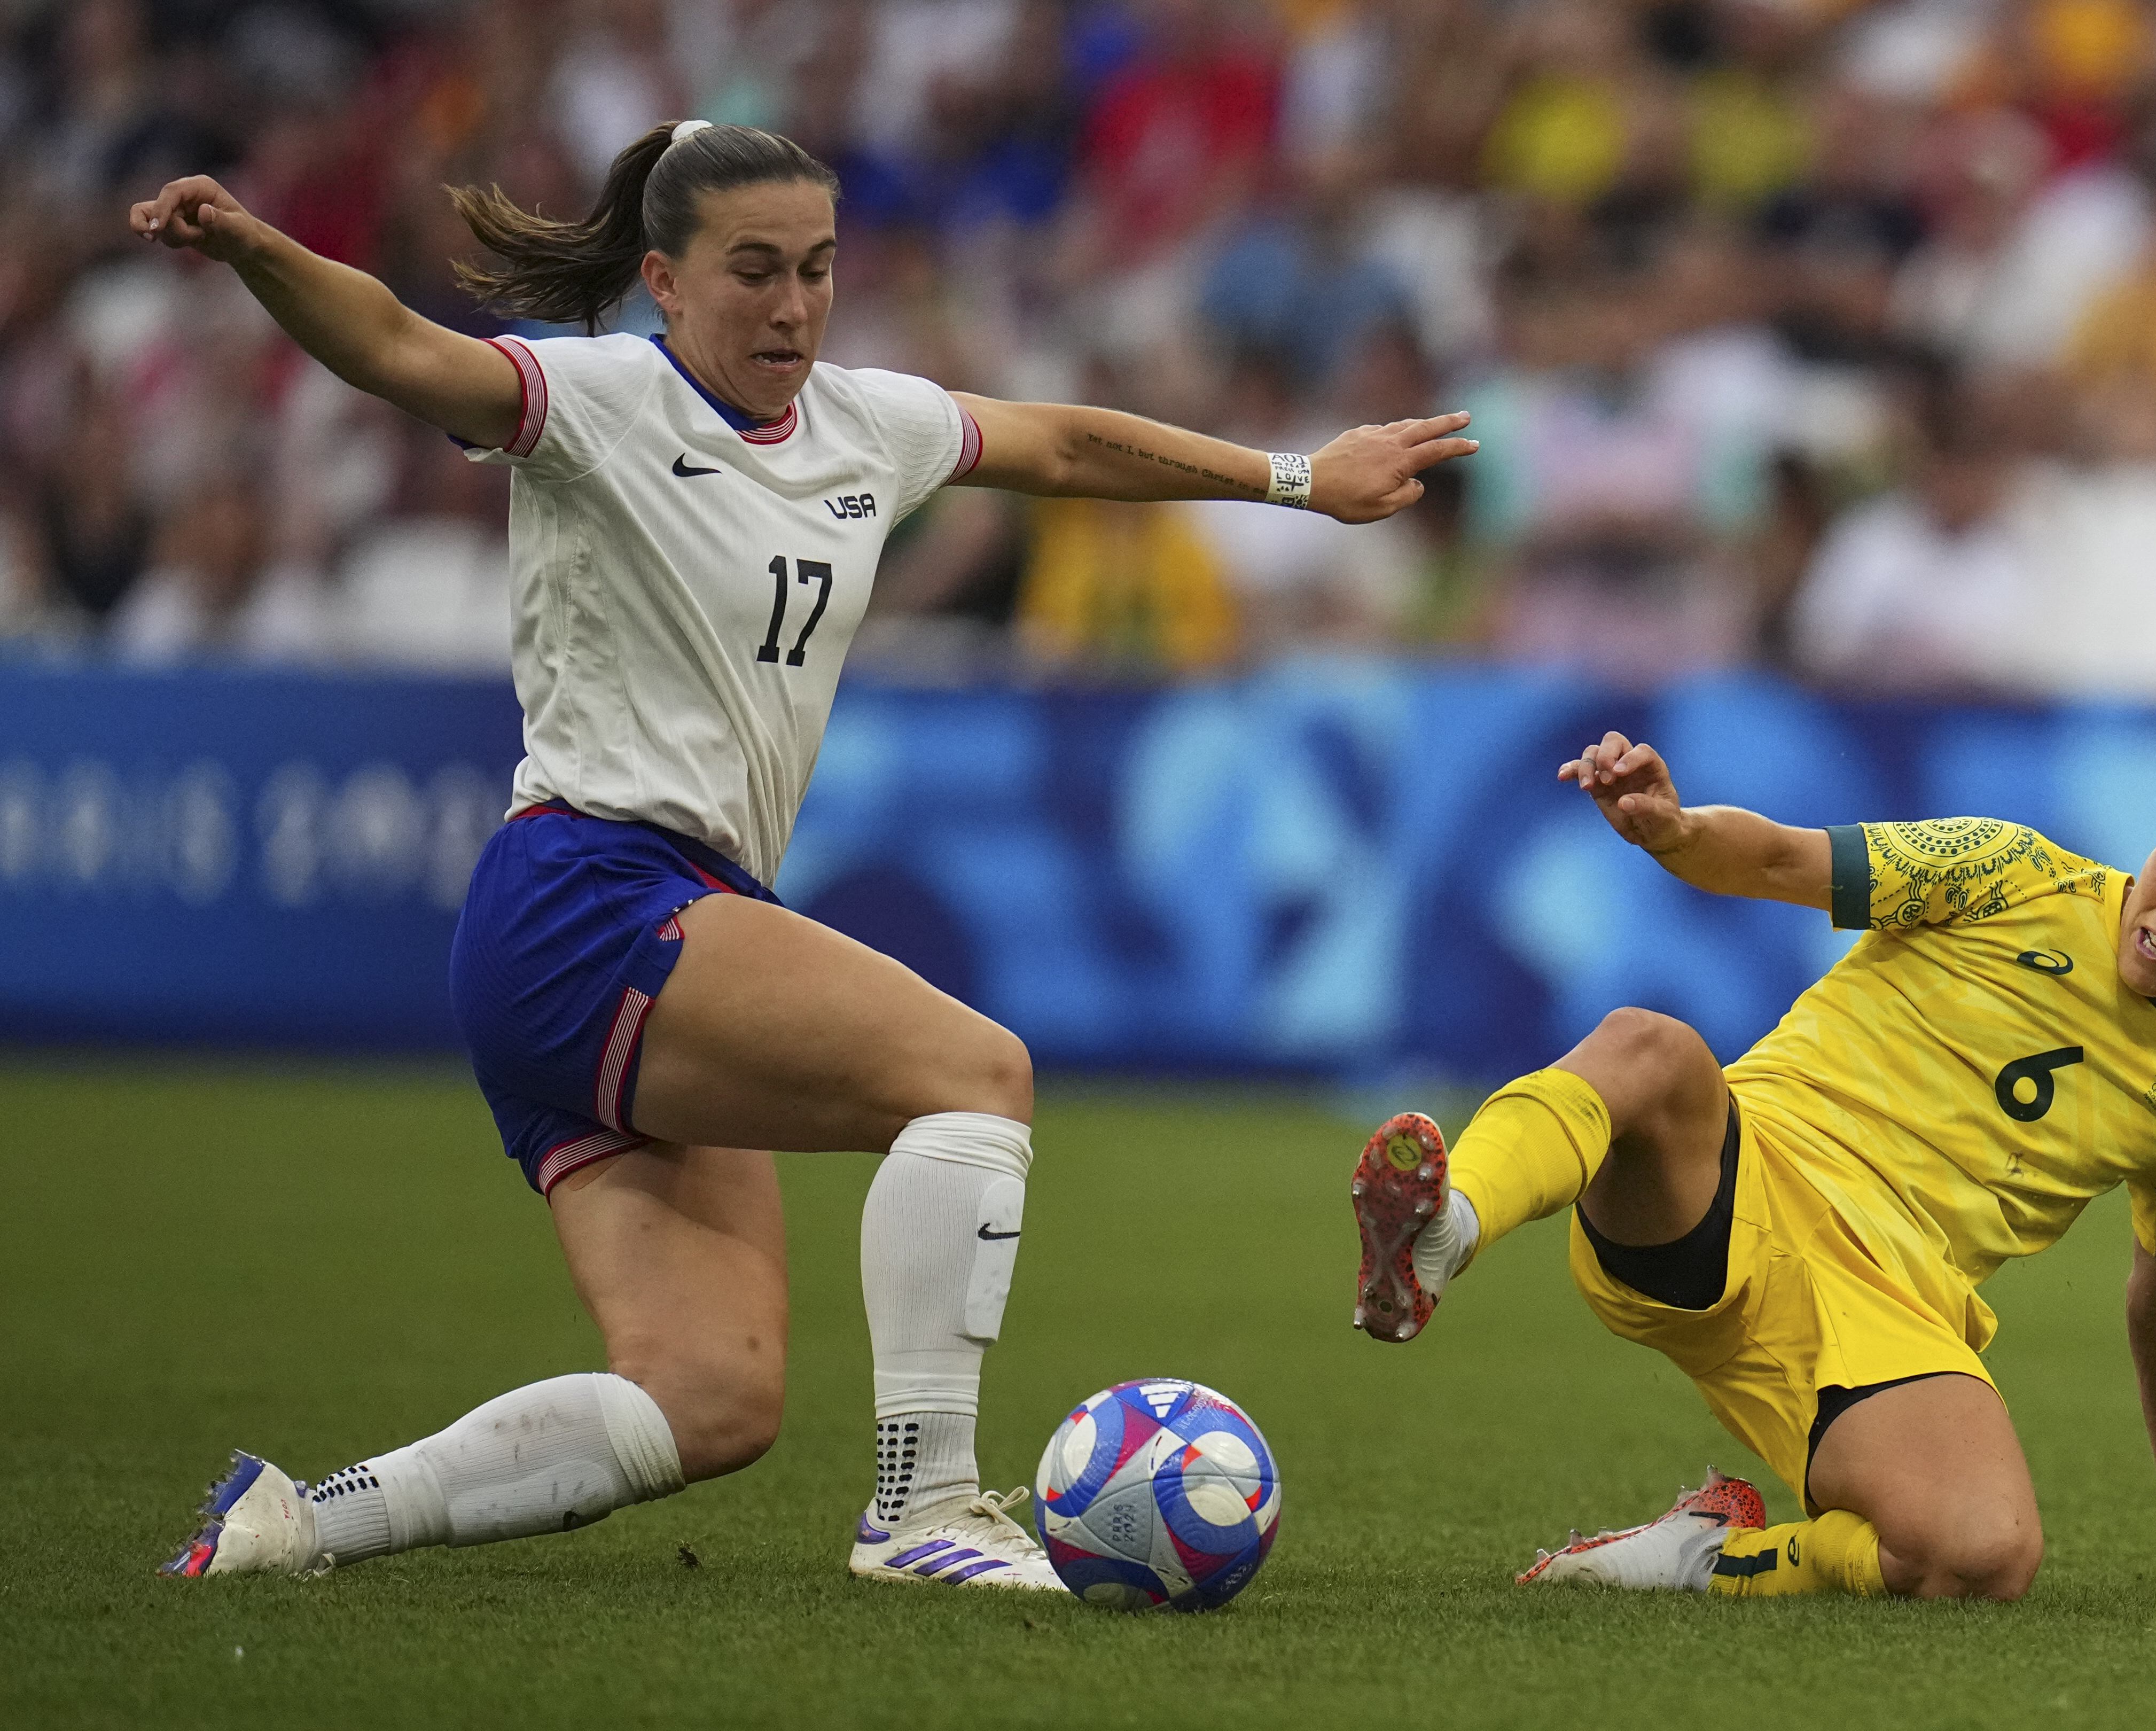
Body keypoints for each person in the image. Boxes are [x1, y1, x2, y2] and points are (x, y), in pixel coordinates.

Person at [143, 120, 1474, 1586]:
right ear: (662, 279)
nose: (792, 306)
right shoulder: (595, 402)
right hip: (589, 894)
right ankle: (924, 1507)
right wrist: (259, 251)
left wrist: (1300, 476)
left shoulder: (868, 426)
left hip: (649, 921)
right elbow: (401, 347)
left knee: (711, 1400)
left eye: (820, 271)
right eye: (755, 271)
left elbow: (1062, 443)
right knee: (975, 1074)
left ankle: (299, 1524)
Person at [1350, 734, 2156, 1602]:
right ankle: (1448, 1229)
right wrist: (1672, 827)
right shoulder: (2011, 872)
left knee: (1985, 1558)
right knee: (1650, 1049)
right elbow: (1785, 858)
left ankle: (1704, 1558)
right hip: (1738, 1180)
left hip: (1886, 1313)